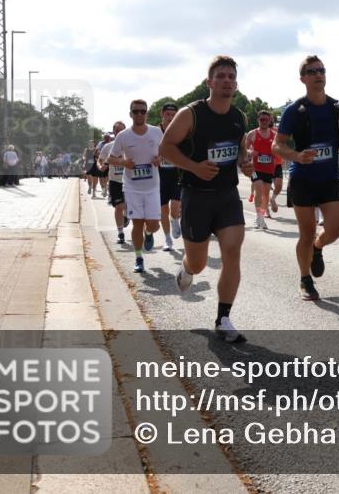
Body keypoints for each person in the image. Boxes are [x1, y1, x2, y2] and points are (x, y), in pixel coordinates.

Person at [161, 55, 255, 343]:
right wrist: (194, 167)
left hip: (227, 196)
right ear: (209, 82)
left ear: (236, 84)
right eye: (221, 76)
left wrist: (245, 161)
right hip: (196, 197)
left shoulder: (239, 117)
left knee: (232, 251)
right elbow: (166, 148)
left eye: (231, 77)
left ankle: (223, 318)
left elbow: (240, 150)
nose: (227, 81)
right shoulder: (191, 114)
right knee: (199, 264)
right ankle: (187, 268)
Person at [274, 55, 339, 302]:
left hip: (329, 178)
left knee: (335, 230)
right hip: (303, 180)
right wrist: (297, 155)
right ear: (303, 78)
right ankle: (305, 279)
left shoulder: (336, 107)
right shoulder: (294, 110)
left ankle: (318, 248)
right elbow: (277, 146)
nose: (318, 74)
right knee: (306, 233)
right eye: (312, 71)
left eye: (321, 70)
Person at [108, 100, 164, 274]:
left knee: (154, 224)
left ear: (146, 113)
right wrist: (124, 162)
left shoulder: (156, 132)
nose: (139, 114)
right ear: (130, 114)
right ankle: (139, 258)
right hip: (132, 187)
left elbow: (168, 150)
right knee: (137, 223)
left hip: (152, 187)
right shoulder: (123, 136)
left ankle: (149, 233)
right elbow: (110, 158)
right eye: (136, 112)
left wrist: (159, 159)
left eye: (142, 111)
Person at [246, 110, 279, 230]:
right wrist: (251, 152)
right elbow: (244, 150)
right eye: (262, 119)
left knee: (266, 195)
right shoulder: (252, 134)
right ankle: (259, 218)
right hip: (256, 168)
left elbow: (279, 149)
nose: (264, 122)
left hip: (269, 169)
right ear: (258, 120)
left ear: (270, 121)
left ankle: (261, 218)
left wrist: (277, 155)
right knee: (258, 189)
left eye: (266, 120)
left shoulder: (274, 135)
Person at [158, 103, 183, 251]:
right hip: (160, 176)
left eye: (173, 115)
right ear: (162, 115)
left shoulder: (180, 131)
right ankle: (168, 239)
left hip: (176, 174)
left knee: (174, 207)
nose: (170, 117)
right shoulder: (155, 132)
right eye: (168, 114)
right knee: (163, 209)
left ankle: (175, 220)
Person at [99, 122, 128, 244]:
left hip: (129, 181)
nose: (119, 133)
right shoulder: (108, 146)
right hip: (115, 180)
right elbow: (100, 160)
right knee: (119, 207)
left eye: (122, 130)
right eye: (117, 131)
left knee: (127, 206)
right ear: (114, 132)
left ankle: (126, 216)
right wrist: (101, 166)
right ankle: (120, 233)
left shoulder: (130, 145)